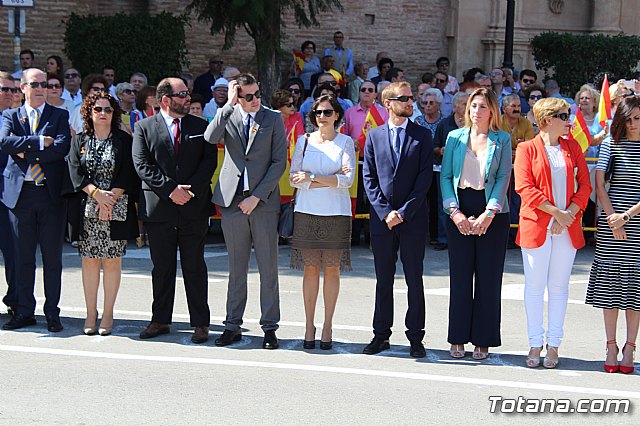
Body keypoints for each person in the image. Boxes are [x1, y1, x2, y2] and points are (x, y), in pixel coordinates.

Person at [204, 73, 287, 349]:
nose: (254, 100)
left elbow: (278, 163)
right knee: (236, 268)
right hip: (231, 202)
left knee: (268, 268)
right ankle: (232, 325)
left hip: (262, 203)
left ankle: (270, 327)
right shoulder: (230, 114)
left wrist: (257, 197)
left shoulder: (273, 118)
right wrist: (227, 106)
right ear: (237, 96)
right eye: (248, 96)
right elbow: (210, 137)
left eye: (257, 94)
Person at [132, 77, 216, 344]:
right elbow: (142, 164)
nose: (187, 98)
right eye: (181, 94)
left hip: (193, 206)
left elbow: (208, 162)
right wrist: (170, 189)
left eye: (187, 93)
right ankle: (160, 320)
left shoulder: (201, 126)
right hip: (160, 208)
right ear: (165, 100)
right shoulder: (144, 127)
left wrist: (188, 190)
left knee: (195, 266)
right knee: (162, 267)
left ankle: (201, 323)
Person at [514, 97, 591, 369]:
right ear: (546, 120)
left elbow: (585, 186)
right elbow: (524, 187)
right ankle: (535, 343)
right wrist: (556, 213)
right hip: (537, 225)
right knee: (535, 287)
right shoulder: (526, 149)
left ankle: (554, 344)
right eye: (563, 115)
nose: (568, 119)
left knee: (559, 287)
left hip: (566, 226)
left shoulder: (573, 147)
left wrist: (567, 214)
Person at [362, 81, 433, 358]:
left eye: (411, 98)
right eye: (404, 98)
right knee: (384, 279)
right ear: (387, 103)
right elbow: (369, 178)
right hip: (382, 221)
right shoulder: (375, 136)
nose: (410, 102)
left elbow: (424, 179)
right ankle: (381, 335)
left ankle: (416, 337)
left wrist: (403, 212)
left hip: (412, 220)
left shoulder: (422, 136)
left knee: (414, 279)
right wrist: (385, 212)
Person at [440, 87, 512, 360]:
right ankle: (457, 337)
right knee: (460, 278)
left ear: (492, 110)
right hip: (459, 207)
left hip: (492, 211)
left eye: (482, 106)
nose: (476, 111)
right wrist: (455, 212)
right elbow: (445, 177)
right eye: (473, 106)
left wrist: (488, 214)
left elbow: (504, 176)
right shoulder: (454, 138)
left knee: (488, 279)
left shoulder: (502, 139)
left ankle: (483, 340)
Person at [0, 68, 71, 332]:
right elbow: (5, 143)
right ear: (23, 87)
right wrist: (40, 141)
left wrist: (25, 151)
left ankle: (52, 312)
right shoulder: (10, 115)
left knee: (52, 259)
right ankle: (24, 312)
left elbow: (61, 148)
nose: (41, 88)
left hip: (49, 194)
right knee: (22, 257)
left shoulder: (59, 115)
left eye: (45, 84)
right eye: (35, 84)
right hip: (19, 196)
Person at [67, 93, 138, 336]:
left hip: (115, 208)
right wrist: (96, 194)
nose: (103, 113)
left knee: (111, 261)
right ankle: (90, 313)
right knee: (88, 261)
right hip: (88, 209)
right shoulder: (81, 140)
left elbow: (129, 172)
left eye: (108, 109)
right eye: (98, 109)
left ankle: (108, 313)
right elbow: (75, 171)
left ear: (113, 113)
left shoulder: (123, 140)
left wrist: (110, 198)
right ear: (89, 112)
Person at [289, 94, 356, 349]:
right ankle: (309, 325)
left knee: (331, 269)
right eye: (318, 112)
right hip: (307, 211)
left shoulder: (346, 142)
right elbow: (295, 177)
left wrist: (313, 177)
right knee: (310, 269)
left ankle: (327, 324)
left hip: (336, 213)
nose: (322, 117)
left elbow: (347, 180)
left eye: (327, 112)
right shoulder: (303, 142)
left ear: (337, 115)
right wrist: (328, 178)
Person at [587, 95, 640, 374]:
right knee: (611, 288)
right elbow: (600, 183)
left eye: (638, 118)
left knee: (635, 290)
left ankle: (630, 347)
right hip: (611, 226)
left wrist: (627, 217)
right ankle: (610, 345)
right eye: (628, 119)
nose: (633, 124)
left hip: (637, 223)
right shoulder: (611, 144)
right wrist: (612, 219)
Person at [343, 80, 388, 246]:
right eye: (363, 89)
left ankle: (372, 237)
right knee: (355, 197)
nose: (367, 92)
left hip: (376, 162)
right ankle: (354, 236)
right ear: (359, 92)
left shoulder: (383, 113)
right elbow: (344, 135)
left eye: (370, 90)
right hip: (355, 160)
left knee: (373, 198)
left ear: (376, 94)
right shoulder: (349, 113)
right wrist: (352, 140)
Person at [431, 92, 470, 252]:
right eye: (464, 104)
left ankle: (463, 234)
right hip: (446, 171)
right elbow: (434, 146)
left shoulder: (473, 124)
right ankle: (443, 238)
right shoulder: (444, 124)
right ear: (454, 106)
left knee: (464, 205)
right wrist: (441, 150)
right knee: (445, 205)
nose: (468, 107)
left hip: (467, 171)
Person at [0, 71, 18, 316]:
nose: (10, 94)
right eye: (5, 89)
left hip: (11, 196)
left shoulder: (18, 118)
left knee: (15, 253)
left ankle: (16, 301)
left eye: (14, 90)